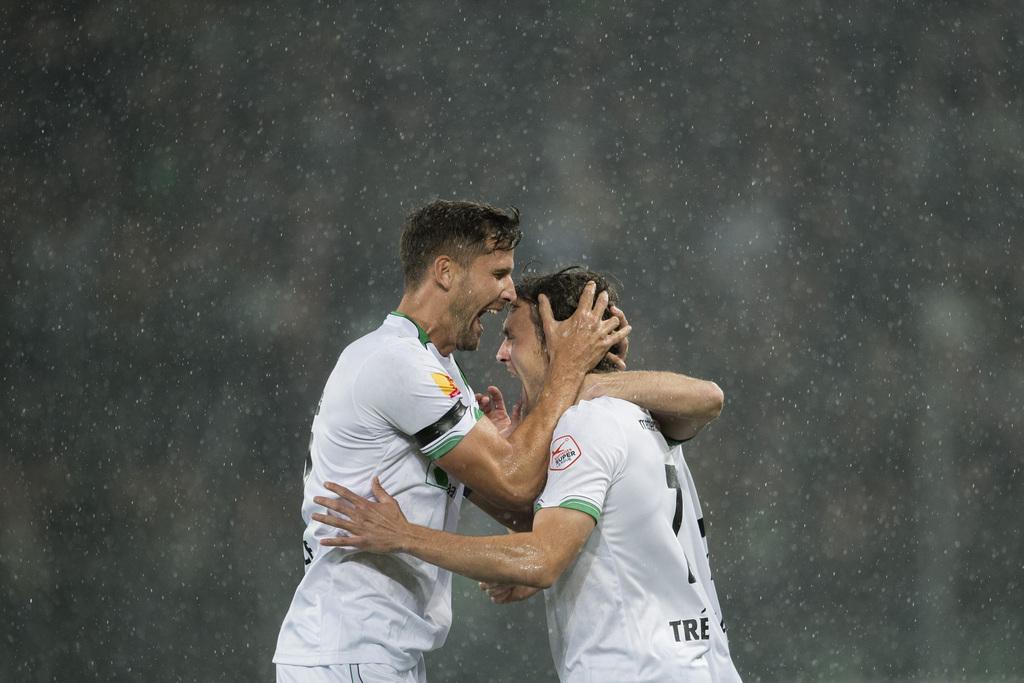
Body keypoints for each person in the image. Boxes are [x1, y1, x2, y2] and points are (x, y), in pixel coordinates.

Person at [311, 268, 743, 683]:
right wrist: (475, 468)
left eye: (511, 336)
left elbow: (541, 559)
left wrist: (403, 535)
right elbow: (597, 532)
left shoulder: (586, 424)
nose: (500, 354)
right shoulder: (646, 416)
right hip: (703, 665)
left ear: (561, 338)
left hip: (634, 669)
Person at [274, 200, 636, 683]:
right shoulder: (398, 363)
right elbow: (514, 481)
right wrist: (568, 368)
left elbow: (519, 506)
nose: (509, 292)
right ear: (445, 272)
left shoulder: (436, 369)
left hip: (376, 654)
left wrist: (517, 445)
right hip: (350, 651)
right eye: (499, 273)